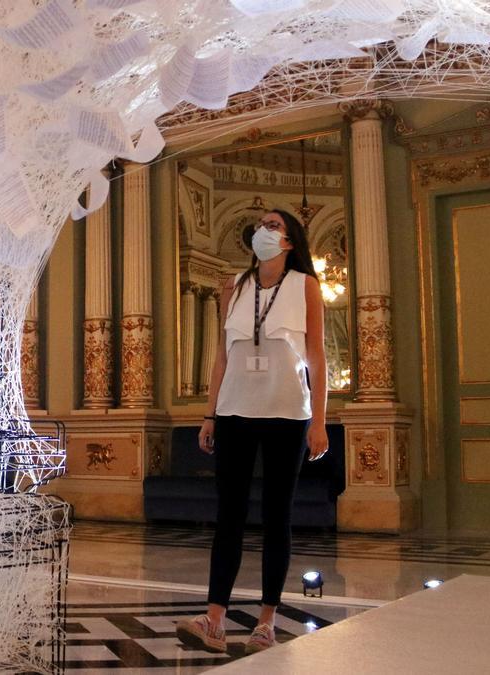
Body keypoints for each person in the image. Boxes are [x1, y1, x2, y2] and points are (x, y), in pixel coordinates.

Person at [174, 209, 329, 655]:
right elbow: (222, 355)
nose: (265, 230)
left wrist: (319, 420)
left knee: (277, 516)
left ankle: (266, 622)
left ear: (290, 242)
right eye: (261, 224)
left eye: (274, 225)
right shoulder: (234, 287)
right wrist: (210, 414)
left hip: (287, 413)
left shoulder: (306, 287)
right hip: (235, 411)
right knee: (229, 516)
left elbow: (317, 358)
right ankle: (215, 619)